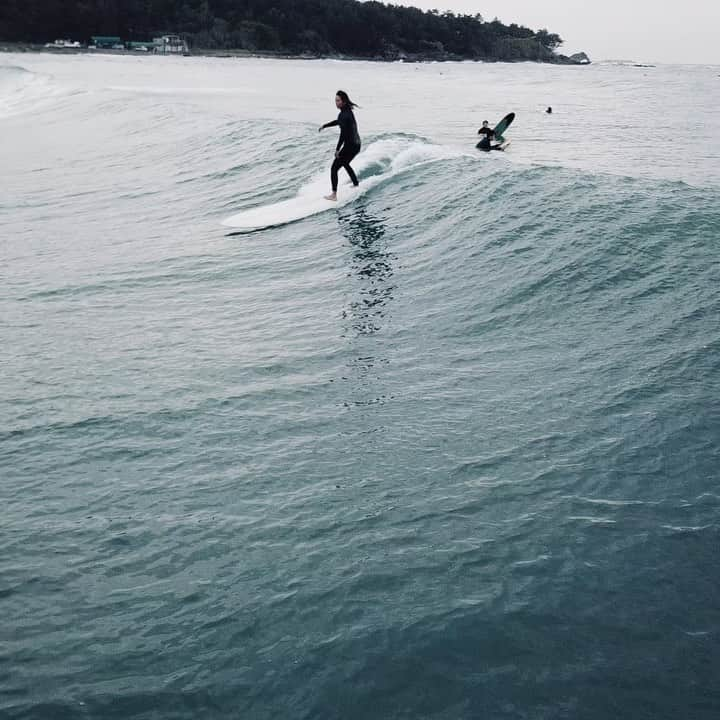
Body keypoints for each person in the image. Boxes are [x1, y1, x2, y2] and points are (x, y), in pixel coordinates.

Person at [319, 90, 361, 201]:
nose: (336, 103)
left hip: (350, 146)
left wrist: (337, 149)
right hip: (357, 145)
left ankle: (334, 195)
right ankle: (356, 183)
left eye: (338, 100)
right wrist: (326, 125)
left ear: (343, 101)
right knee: (345, 163)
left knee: (334, 168)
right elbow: (338, 121)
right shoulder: (347, 112)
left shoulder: (344, 115)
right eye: (335, 100)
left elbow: (343, 134)